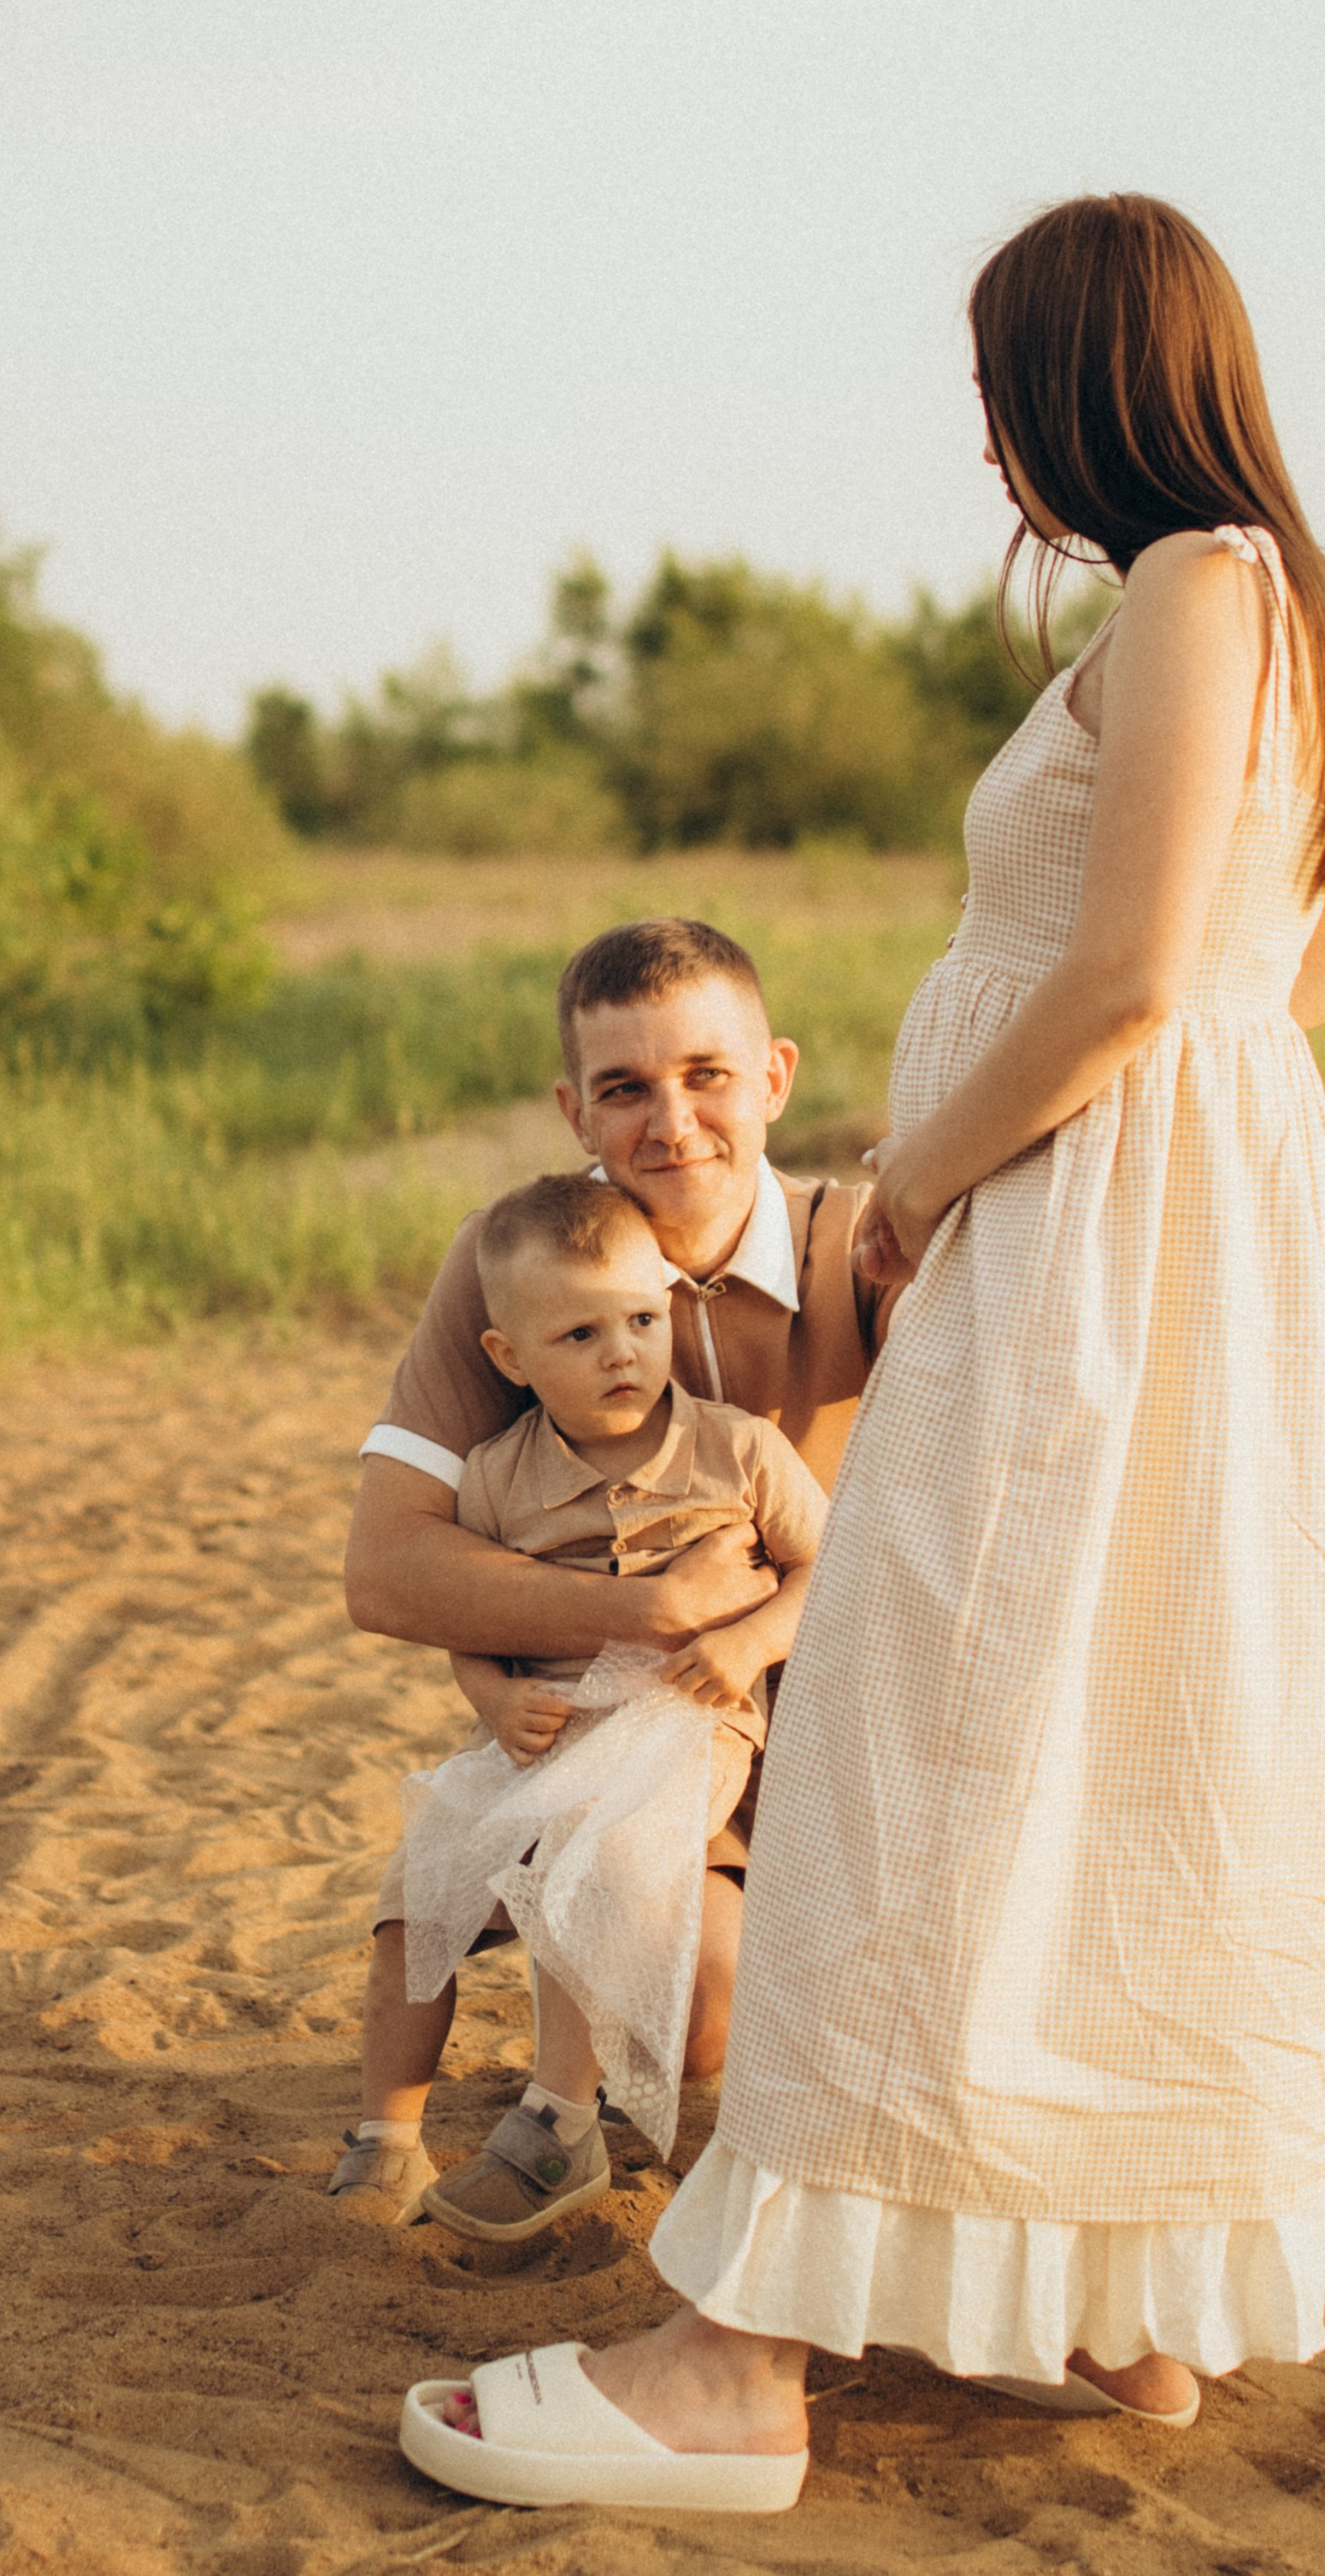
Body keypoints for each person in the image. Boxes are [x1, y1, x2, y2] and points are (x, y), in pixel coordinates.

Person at [399, 192, 1325, 2515]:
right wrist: (1180, 1121)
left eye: (996, 390)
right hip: (1199, 1255)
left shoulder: (1190, 582)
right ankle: (1124, 2303)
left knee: (920, 1742)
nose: (986, 443)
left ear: (1082, 377)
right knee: (1122, 1737)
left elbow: (1131, 969)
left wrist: (921, 1180)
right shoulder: (1307, 611)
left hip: (1074, 1247)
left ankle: (735, 2368)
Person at [335, 919, 892, 2223]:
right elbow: (387, 1569)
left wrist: (748, 1628)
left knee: (714, 2010)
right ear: (571, 1109)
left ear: (774, 1077)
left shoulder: (866, 1244)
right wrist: (638, 1608)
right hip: (620, 1720)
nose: (671, 1121)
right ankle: (434, 2122)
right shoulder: (521, 1257)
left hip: (832, 1722)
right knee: (672, 2001)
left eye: (706, 1074)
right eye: (625, 1086)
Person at [362, 1173, 824, 2241]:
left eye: (641, 1322)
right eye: (580, 1334)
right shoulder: (495, 1477)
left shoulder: (736, 1450)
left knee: (595, 1853)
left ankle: (558, 2124)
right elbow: (464, 1616)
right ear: (508, 1358)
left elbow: (830, 1564)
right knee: (418, 1888)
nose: (622, 1353)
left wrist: (748, 1640)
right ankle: (381, 2135)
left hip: (682, 1718)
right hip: (542, 1725)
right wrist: (491, 1696)